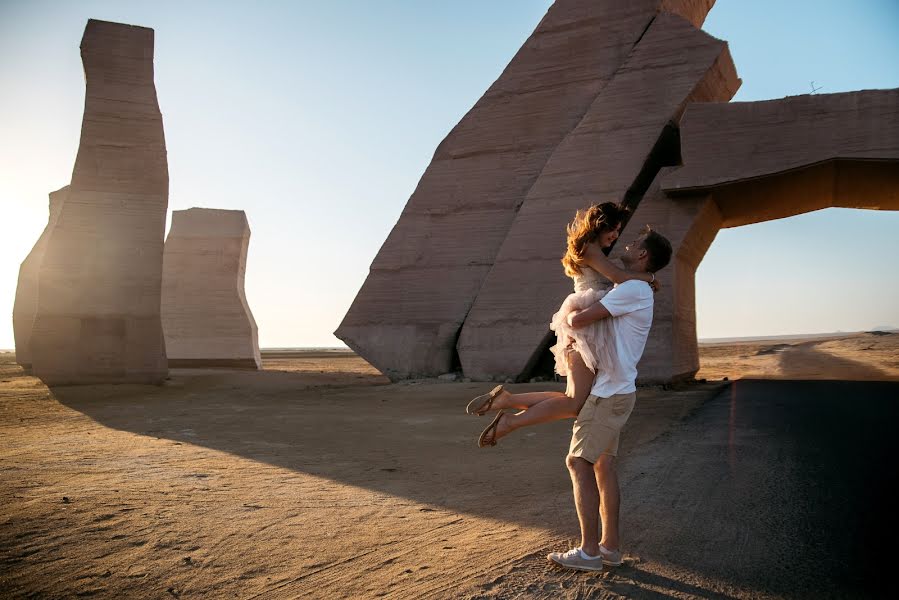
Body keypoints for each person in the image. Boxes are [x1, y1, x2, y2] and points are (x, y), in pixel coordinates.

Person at [466, 203, 657, 447]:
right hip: (587, 321)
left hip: (590, 318)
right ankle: (508, 419)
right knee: (576, 403)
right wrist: (650, 278)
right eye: (614, 229)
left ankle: (505, 400)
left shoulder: (592, 248)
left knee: (572, 399)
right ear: (602, 224)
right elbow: (618, 277)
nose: (616, 236)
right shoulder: (589, 249)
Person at [543, 225, 672, 572]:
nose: (627, 245)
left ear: (643, 255)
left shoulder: (633, 288)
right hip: (618, 391)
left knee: (577, 463)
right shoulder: (636, 288)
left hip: (608, 394)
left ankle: (588, 552)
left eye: (633, 243)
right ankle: (610, 548)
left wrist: (569, 316)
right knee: (603, 466)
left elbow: (582, 319)